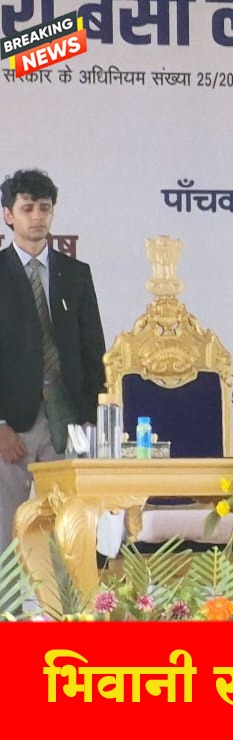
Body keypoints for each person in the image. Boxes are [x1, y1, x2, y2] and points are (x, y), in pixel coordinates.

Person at [0, 169, 107, 554]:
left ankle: (66, 597)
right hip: (12, 425)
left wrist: (92, 418)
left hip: (69, 419)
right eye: (27, 208)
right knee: (6, 530)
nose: (37, 217)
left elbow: (93, 351)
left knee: (69, 529)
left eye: (44, 208)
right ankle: (7, 596)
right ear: (8, 215)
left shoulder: (76, 274)